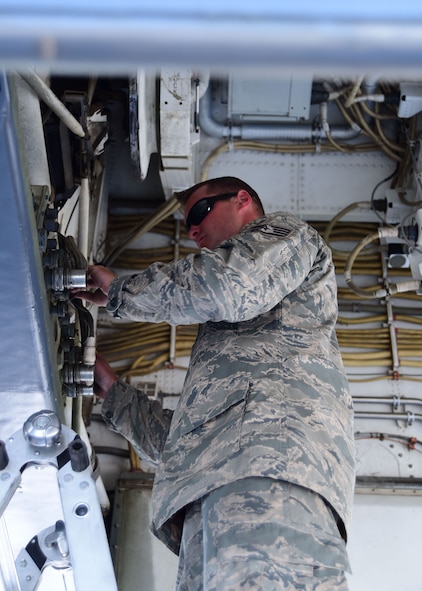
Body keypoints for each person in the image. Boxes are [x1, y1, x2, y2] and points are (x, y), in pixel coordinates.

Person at [78, 176, 355, 591]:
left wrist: (121, 290)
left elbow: (225, 286)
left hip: (271, 476)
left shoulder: (286, 237)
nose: (191, 230)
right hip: (218, 498)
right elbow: (190, 445)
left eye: (198, 212)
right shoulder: (236, 335)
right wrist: (114, 395)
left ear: (242, 200)